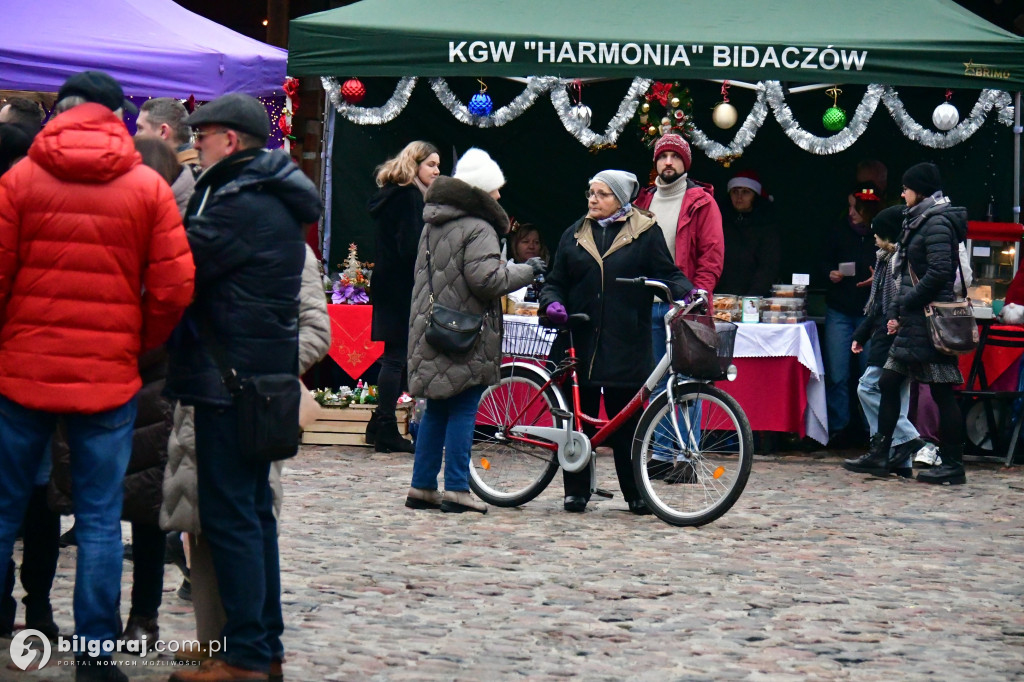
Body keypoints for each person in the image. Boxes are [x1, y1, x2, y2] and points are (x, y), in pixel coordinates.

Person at [0, 70, 195, 680]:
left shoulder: (20, 180)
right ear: (116, 116)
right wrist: (136, 343)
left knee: (4, 512)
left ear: (59, 111)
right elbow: (173, 288)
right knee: (100, 518)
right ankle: (96, 655)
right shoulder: (146, 187)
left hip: (22, 372)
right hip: (109, 375)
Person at [163, 92, 321, 682]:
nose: (193, 144)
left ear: (231, 141)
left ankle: (245, 658)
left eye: (202, 135)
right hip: (253, 377)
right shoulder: (263, 193)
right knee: (252, 517)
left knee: (234, 518)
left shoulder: (238, 200)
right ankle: (258, 647)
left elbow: (182, 265)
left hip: (229, 379)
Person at [160, 242, 330, 665]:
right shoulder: (208, 241)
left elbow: (315, 331)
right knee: (195, 520)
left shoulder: (291, 252)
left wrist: (260, 376)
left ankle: (245, 644)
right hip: (194, 403)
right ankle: (212, 637)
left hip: (249, 408)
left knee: (244, 523)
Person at [539, 170, 693, 514]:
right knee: (577, 420)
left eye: (602, 194)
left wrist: (690, 292)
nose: (593, 200)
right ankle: (575, 491)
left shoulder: (644, 232)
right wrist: (552, 302)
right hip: (580, 341)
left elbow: (668, 273)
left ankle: (636, 493)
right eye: (591, 193)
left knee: (628, 424)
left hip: (626, 341)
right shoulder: (576, 233)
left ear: (621, 200)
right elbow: (555, 280)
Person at [405, 148, 541, 515]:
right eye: (494, 190)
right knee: (464, 407)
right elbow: (487, 280)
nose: (499, 196)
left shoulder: (433, 222)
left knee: (436, 408)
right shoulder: (479, 227)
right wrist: (528, 270)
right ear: (481, 191)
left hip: (431, 327)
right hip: (464, 333)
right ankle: (457, 489)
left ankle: (421, 487)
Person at [846, 162, 968, 485]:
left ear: (921, 189)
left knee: (942, 391)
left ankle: (953, 463)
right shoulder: (919, 220)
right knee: (887, 382)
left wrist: (907, 301)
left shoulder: (937, 222)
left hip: (928, 322)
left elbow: (941, 272)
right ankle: (882, 453)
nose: (902, 193)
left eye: (906, 188)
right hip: (913, 321)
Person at [633, 134, 723, 477]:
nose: (668, 162)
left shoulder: (701, 202)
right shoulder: (643, 201)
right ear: (655, 163)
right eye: (662, 156)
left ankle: (686, 459)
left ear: (686, 163)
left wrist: (697, 296)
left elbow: (711, 257)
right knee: (654, 383)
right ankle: (658, 456)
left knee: (686, 384)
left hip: (684, 308)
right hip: (648, 306)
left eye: (675, 156)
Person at [843, 206, 930, 477]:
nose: (874, 239)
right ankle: (897, 459)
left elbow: (888, 305)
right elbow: (878, 304)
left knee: (868, 387)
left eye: (878, 235)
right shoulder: (886, 260)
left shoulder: (896, 262)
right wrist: (861, 333)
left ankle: (908, 440)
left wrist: (870, 332)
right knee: (897, 396)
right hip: (892, 334)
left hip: (893, 336)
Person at [365, 141, 441, 453]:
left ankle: (380, 424)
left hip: (389, 283)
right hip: (402, 286)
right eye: (431, 165)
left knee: (396, 356)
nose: (437, 171)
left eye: (438, 165)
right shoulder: (410, 197)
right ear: (415, 165)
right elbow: (410, 247)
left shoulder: (393, 195)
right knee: (397, 357)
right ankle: (385, 426)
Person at [823, 182, 884, 446]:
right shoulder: (837, 231)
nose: (851, 212)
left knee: (869, 376)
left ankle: (872, 431)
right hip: (839, 310)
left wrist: (878, 279)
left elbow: (896, 267)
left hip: (870, 315)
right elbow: (821, 261)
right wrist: (830, 273)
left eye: (855, 207)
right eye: (849, 206)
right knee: (837, 374)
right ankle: (839, 428)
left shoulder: (882, 235)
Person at [716, 169, 781, 296]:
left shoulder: (766, 225)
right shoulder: (719, 221)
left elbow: (768, 266)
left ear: (755, 195)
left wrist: (753, 296)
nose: (739, 197)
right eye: (735, 192)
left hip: (754, 298)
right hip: (722, 296)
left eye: (745, 192)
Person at [135, 97, 198, 215]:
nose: (135, 135)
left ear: (163, 132)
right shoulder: (192, 169)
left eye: (140, 128)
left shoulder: (177, 175)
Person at [505, 219, 549, 305]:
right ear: (515, 245)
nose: (531, 246)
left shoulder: (548, 273)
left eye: (536, 242)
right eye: (525, 242)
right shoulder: (506, 270)